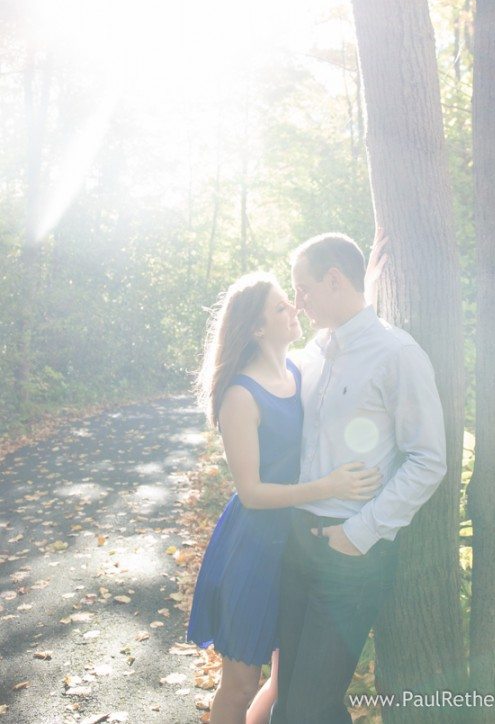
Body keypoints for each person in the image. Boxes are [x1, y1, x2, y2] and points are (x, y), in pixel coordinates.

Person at [186, 271, 382, 724]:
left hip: (297, 545)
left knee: (285, 680)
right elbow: (251, 493)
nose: (294, 308)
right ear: (256, 328)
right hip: (253, 550)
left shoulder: (298, 368)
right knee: (239, 686)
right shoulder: (240, 394)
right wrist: (329, 487)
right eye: (280, 307)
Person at [270, 232, 447, 724]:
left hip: (352, 556)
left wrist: (358, 534)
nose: (297, 302)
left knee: (307, 709)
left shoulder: (397, 354)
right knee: (293, 703)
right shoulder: (313, 350)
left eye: (302, 289)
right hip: (297, 543)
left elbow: (428, 459)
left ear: (334, 280)